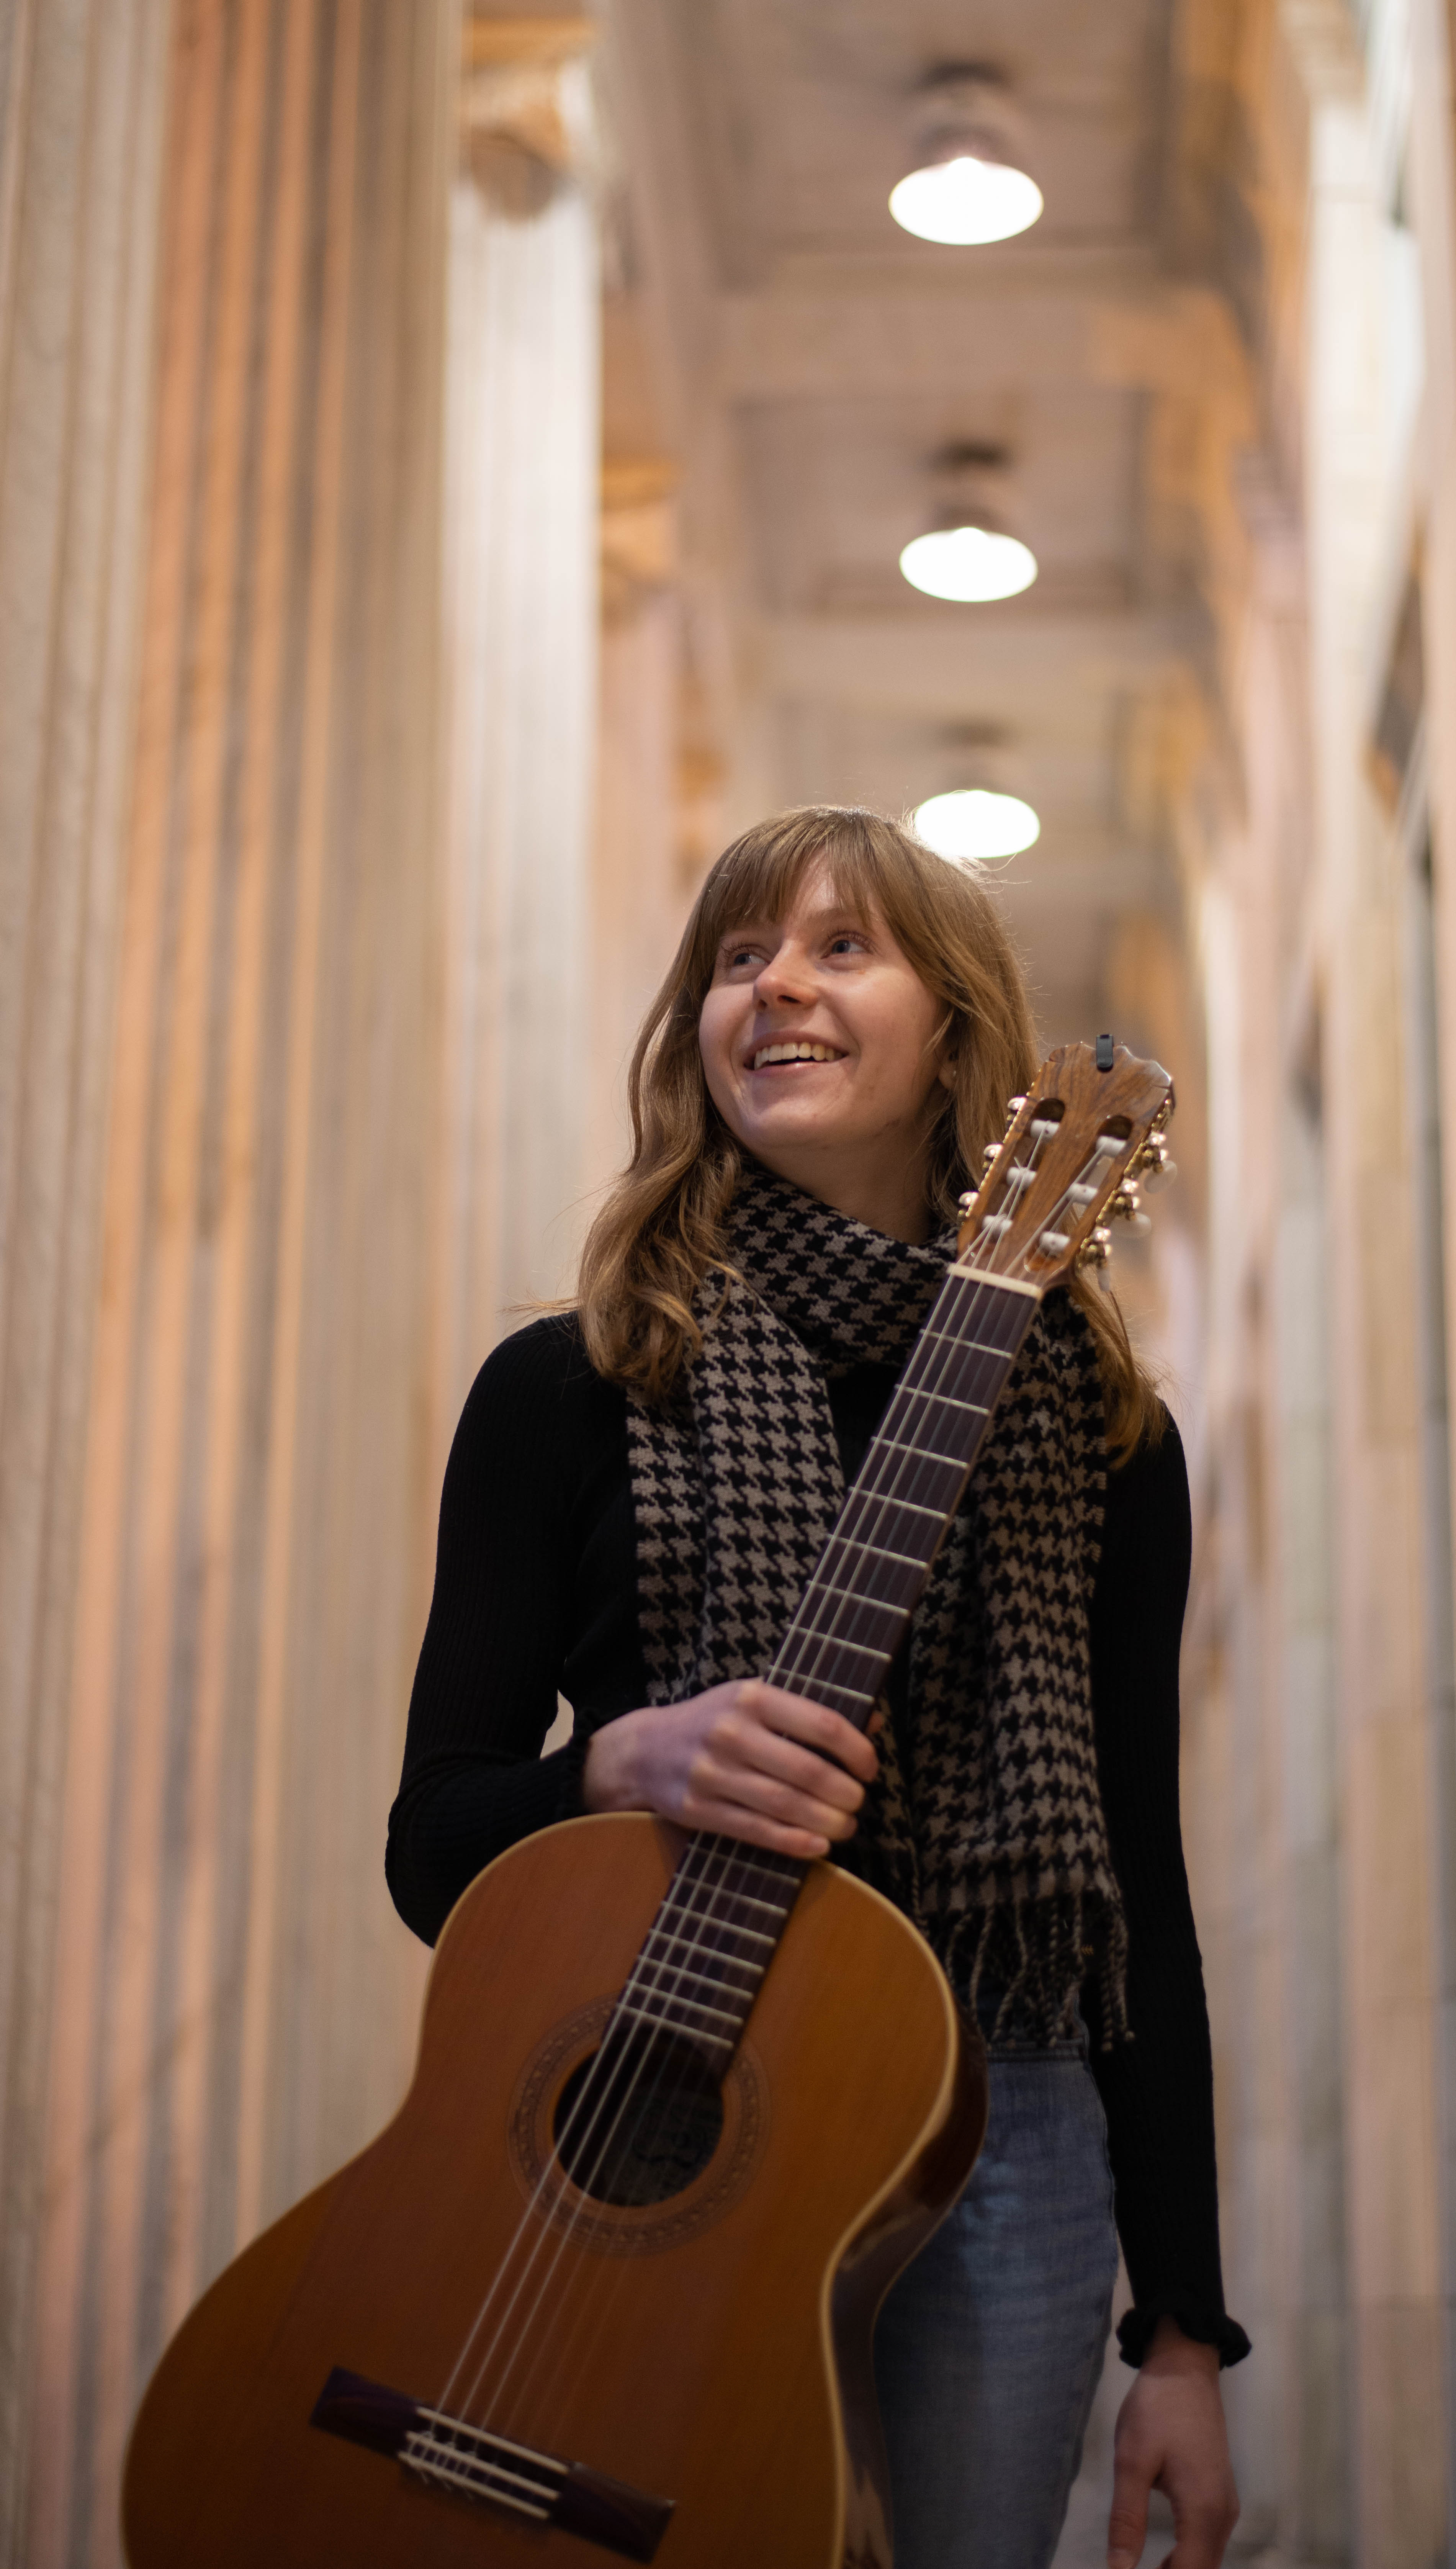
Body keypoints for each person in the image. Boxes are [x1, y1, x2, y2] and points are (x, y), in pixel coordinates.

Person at [387, 805, 1247, 2569]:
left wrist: (1181, 2333)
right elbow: (430, 1848)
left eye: (840, 946)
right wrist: (619, 1765)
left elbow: (1136, 1897)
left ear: (956, 1039)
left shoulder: (1097, 1436)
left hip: (1006, 2129)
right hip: (646, 2103)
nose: (773, 985)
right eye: (734, 955)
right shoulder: (569, 1388)